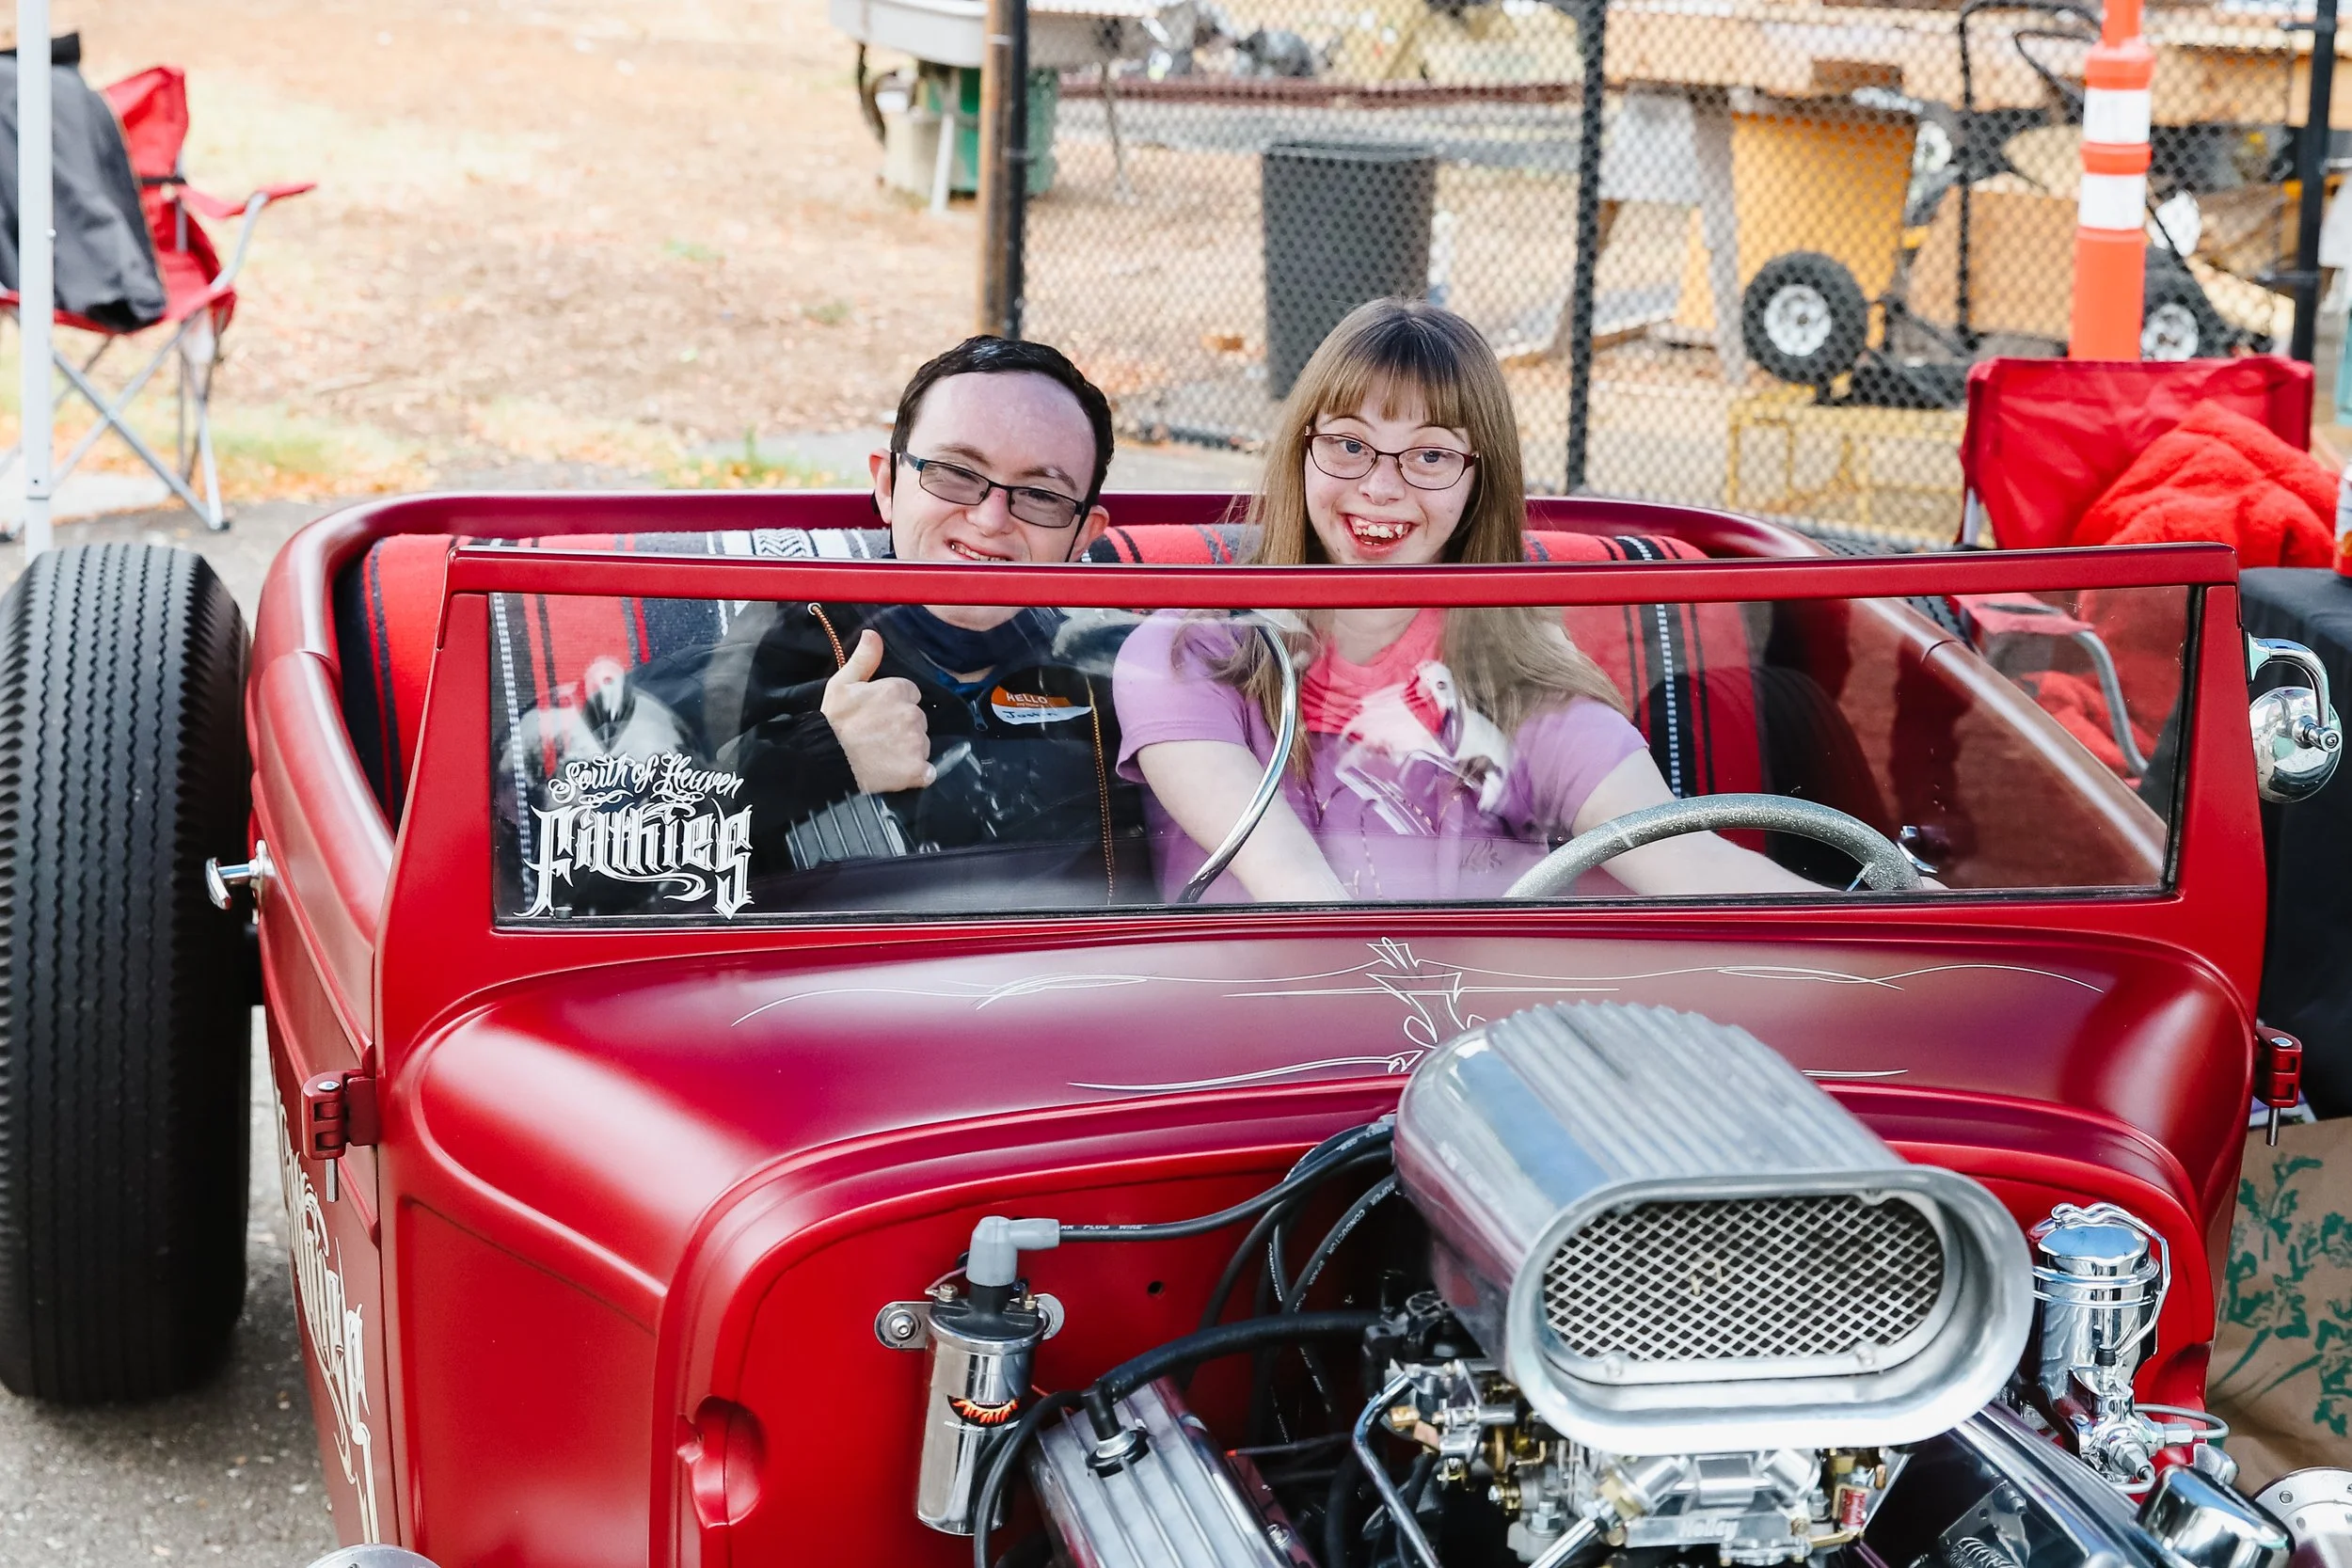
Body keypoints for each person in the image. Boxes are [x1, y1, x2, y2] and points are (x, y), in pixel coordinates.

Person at [1111, 298, 1820, 903]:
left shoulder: (1523, 690)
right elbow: (1297, 891)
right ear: (1302, 451)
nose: (1381, 488)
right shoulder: (1185, 660)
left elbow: (1690, 862)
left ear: (1479, 480)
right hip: (1262, 1050)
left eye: (1429, 456)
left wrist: (1912, 914)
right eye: (1349, 444)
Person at [642, 335, 1146, 904]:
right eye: (956, 472)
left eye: (1041, 495)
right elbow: (578, 865)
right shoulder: (786, 642)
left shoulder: (1118, 671)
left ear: (1083, 535)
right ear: (887, 485)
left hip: (1080, 980)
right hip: (824, 986)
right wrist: (822, 756)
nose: (989, 518)